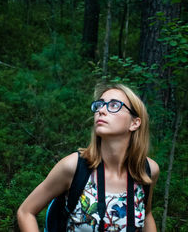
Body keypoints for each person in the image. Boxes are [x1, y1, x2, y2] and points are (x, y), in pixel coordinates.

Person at [17, 83, 159, 232]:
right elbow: (26, 212)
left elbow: (147, 214)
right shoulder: (73, 167)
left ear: (134, 123)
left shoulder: (147, 171)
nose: (101, 111)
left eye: (114, 105)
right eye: (99, 105)